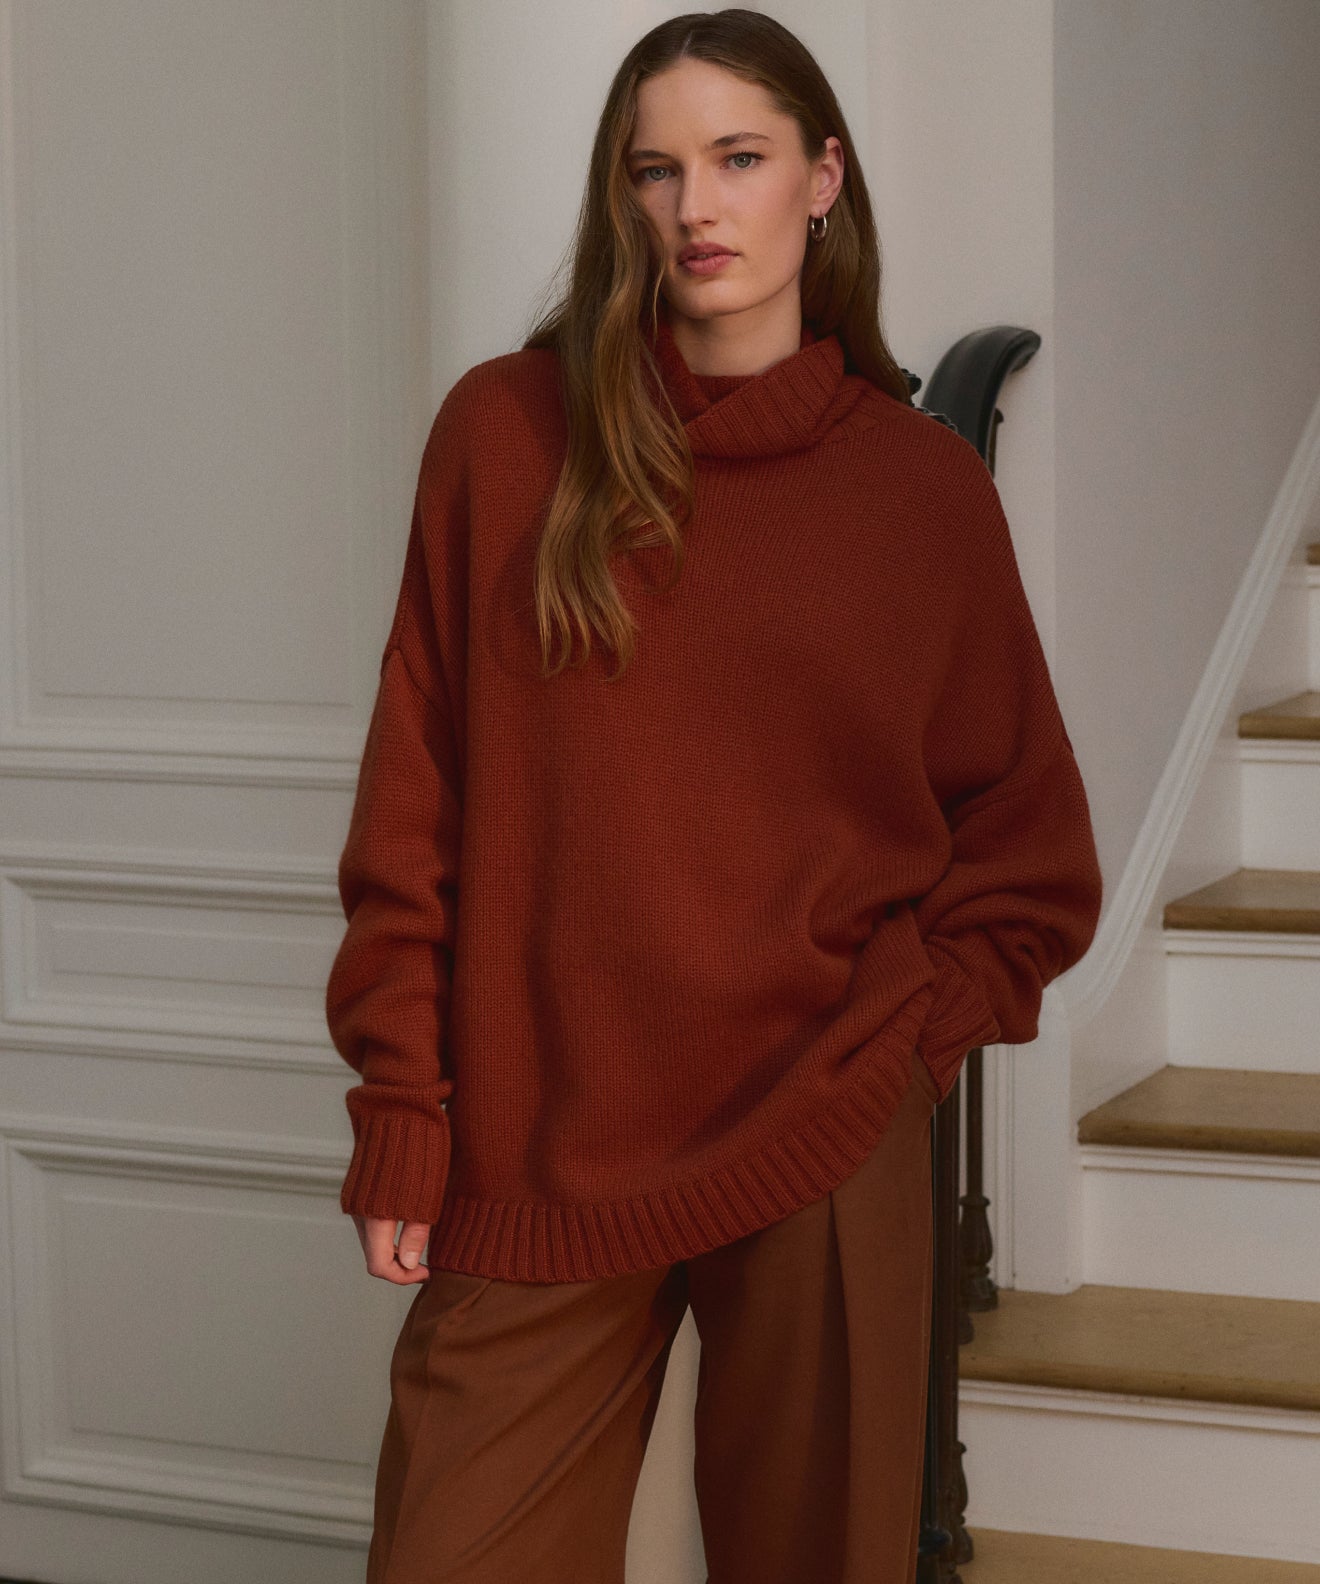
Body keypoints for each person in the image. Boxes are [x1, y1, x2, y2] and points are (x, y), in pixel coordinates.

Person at [324, 9, 1103, 1582]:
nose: (695, 208)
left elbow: (1027, 853)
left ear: (823, 178)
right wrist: (405, 1110)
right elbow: (415, 807)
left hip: (823, 1131)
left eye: (738, 159)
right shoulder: (506, 435)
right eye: (655, 170)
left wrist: (899, 1055)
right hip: (541, 1137)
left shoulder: (919, 494)